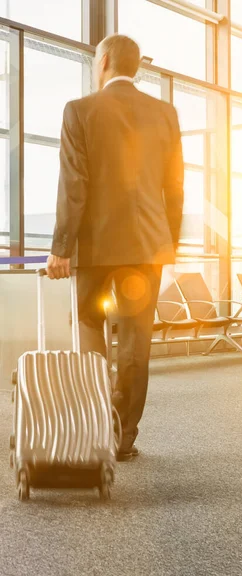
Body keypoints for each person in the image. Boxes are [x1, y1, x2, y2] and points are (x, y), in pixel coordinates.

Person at [47, 34, 184, 461]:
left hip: (95, 247)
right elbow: (175, 188)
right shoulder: (165, 113)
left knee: (90, 330)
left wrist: (61, 248)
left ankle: (92, 429)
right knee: (135, 345)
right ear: (135, 66)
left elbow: (75, 185)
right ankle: (122, 439)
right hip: (146, 248)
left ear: (103, 61)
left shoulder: (80, 110)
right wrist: (168, 243)